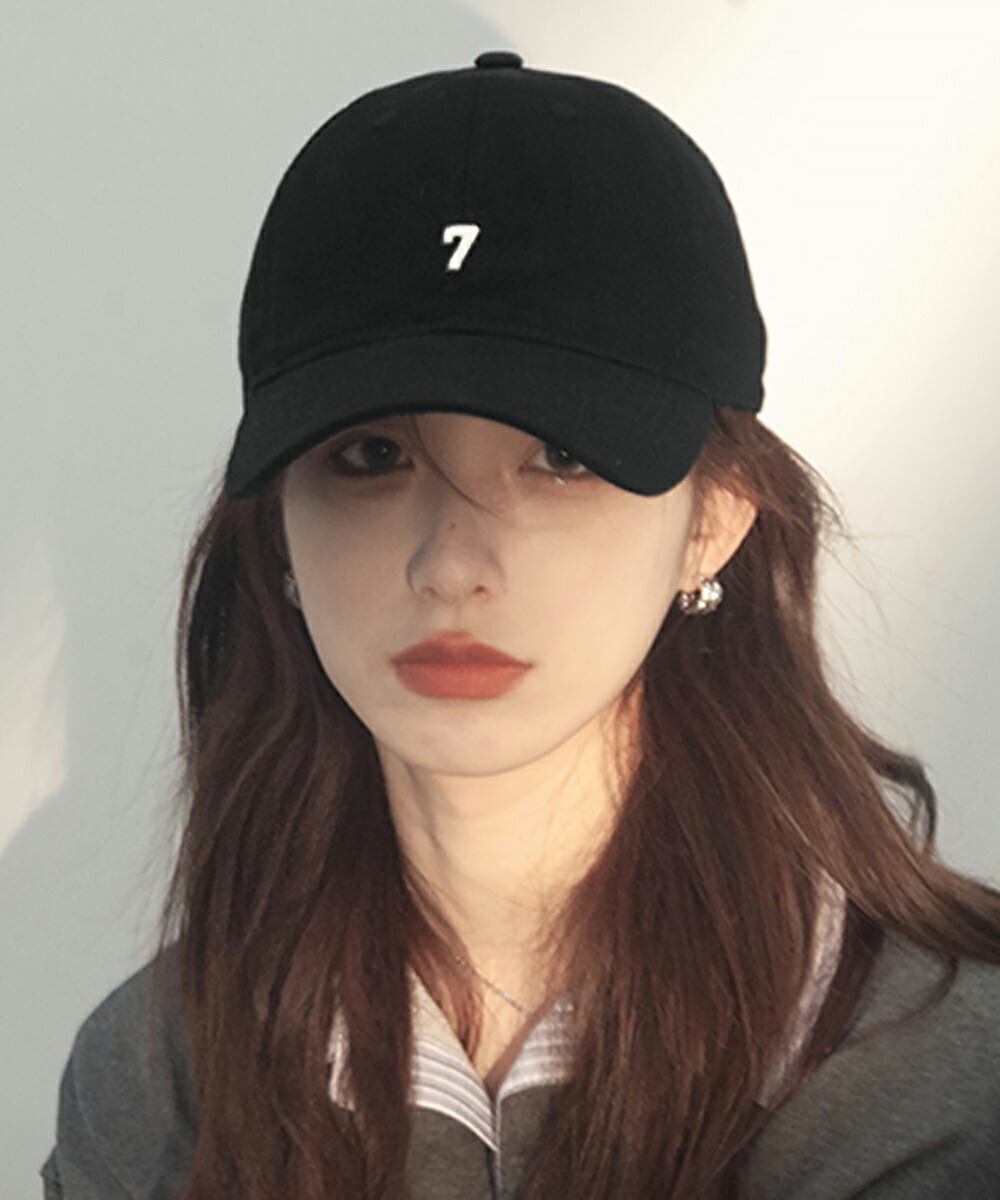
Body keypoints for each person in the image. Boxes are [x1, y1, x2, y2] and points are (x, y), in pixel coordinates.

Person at [42, 51, 1000, 1200]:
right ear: (279, 535)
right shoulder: (153, 1082)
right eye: (371, 455)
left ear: (714, 522)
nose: (450, 563)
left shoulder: (947, 1076)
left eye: (559, 455)